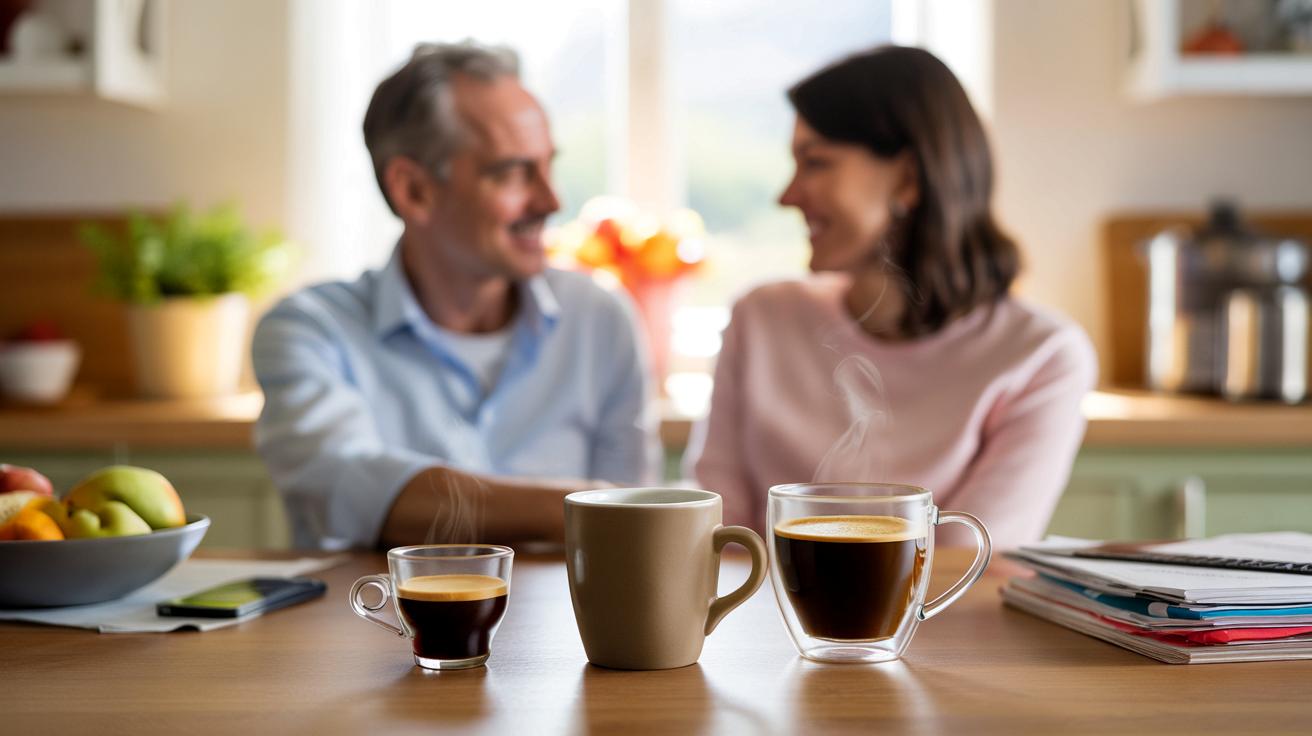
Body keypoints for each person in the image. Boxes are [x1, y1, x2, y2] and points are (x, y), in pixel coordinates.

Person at [685, 46, 1097, 550]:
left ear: (907, 177)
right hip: (761, 626)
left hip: (935, 629)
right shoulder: (760, 319)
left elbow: (966, 565)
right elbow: (716, 538)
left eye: (815, 162)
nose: (787, 195)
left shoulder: (1041, 355)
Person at [253, 42, 658, 551]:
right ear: (413, 190)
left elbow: (633, 541)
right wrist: (590, 505)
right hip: (374, 628)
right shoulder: (310, 329)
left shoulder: (601, 320)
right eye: (512, 172)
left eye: (548, 166)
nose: (551, 200)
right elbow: (346, 491)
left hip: (564, 632)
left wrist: (609, 509)